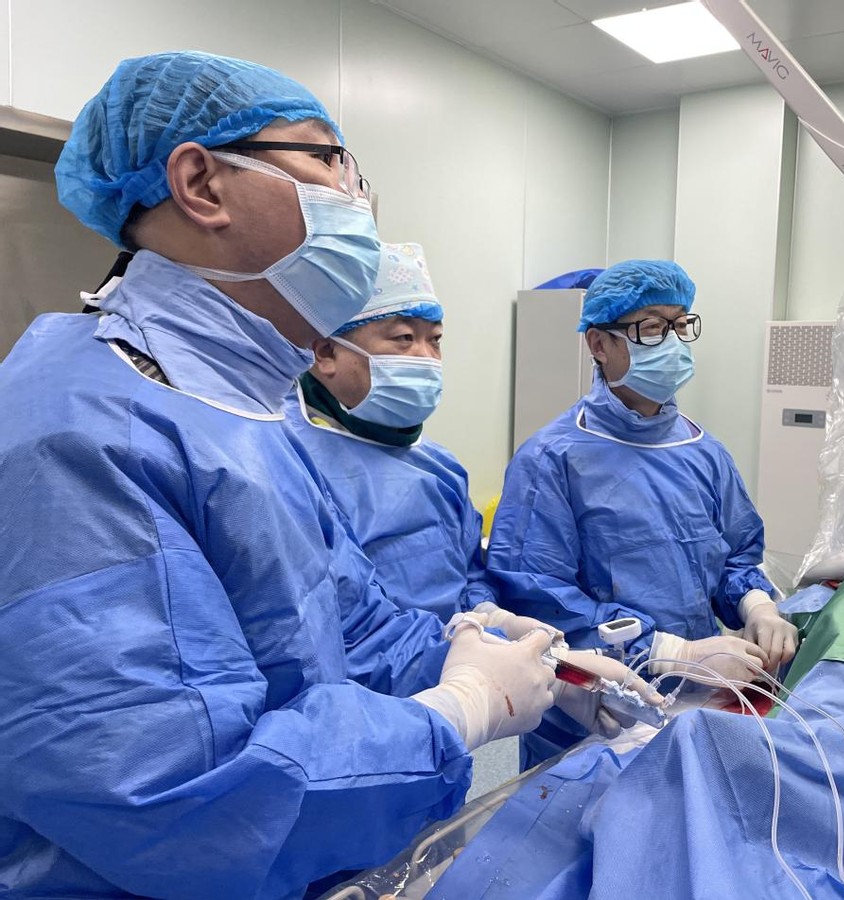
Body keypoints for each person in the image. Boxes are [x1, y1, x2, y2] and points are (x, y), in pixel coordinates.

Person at [0, 51, 628, 899]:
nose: (357, 199)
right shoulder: (78, 432)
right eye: (330, 160)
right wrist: (456, 711)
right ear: (202, 183)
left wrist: (497, 659)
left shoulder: (243, 413)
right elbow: (162, 794)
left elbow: (349, 625)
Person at [487, 259, 799, 768]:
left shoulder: (704, 452)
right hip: (596, 710)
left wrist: (758, 606)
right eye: (652, 328)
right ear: (598, 344)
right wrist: (669, 652)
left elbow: (735, 556)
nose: (672, 342)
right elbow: (536, 598)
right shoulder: (552, 459)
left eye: (681, 325)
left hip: (702, 697)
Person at [284, 242, 533, 635]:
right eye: (403, 337)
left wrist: (489, 617)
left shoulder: (440, 466)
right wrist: (450, 659)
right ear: (326, 352)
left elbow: (469, 576)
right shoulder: (288, 460)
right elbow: (326, 626)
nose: (426, 356)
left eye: (435, 339)